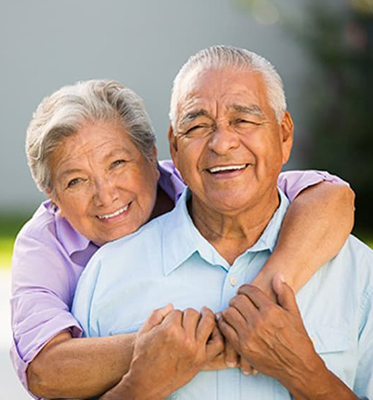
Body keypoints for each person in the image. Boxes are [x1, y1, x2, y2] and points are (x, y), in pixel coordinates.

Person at [73, 46, 373, 400]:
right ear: (175, 147)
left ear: (284, 134)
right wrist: (141, 385)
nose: (222, 143)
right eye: (197, 126)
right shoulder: (108, 275)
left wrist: (304, 372)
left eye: (243, 120)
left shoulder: (362, 276)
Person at [11, 79, 354, 400]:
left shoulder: (201, 180)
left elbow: (331, 196)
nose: (105, 194)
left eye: (117, 163)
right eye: (76, 181)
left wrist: (267, 293)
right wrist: (184, 346)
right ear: (52, 195)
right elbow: (44, 369)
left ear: (153, 155)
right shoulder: (43, 243)